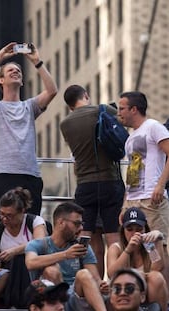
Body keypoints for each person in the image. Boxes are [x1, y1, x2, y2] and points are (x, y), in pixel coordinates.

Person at [0, 41, 58, 221]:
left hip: (30, 175)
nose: (15, 71)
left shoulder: (29, 107)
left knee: (31, 225)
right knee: (3, 225)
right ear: (0, 80)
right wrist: (0, 57)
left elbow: (52, 91)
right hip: (3, 174)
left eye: (18, 70)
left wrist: (37, 61)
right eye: (10, 70)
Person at [61, 85, 125, 278]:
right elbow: (123, 123)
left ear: (70, 106)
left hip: (84, 184)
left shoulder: (65, 124)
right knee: (113, 236)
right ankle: (116, 284)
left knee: (88, 237)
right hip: (109, 182)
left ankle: (94, 284)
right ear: (86, 96)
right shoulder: (103, 110)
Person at [25, 202, 108, 311]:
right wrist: (65, 255)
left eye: (81, 223)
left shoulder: (81, 246)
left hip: (75, 296)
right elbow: (31, 263)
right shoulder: (38, 245)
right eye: (77, 224)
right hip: (49, 298)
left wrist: (102, 285)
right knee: (51, 270)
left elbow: (95, 277)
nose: (81, 228)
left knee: (83, 274)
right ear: (61, 223)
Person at [117, 91, 169, 244]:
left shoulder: (153, 126)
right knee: (139, 249)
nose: (119, 113)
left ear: (134, 109)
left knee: (160, 245)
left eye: (122, 108)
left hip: (151, 199)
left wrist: (160, 185)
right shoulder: (130, 138)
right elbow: (132, 171)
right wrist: (125, 205)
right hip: (133, 201)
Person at [106, 207, 168, 310]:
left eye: (139, 229)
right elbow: (112, 274)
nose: (134, 233)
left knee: (155, 277)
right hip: (123, 295)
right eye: (130, 230)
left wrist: (158, 241)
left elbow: (157, 270)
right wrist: (128, 250)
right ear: (123, 231)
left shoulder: (149, 245)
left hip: (145, 296)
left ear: (145, 229)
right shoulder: (116, 248)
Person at [0, 187, 47, 261]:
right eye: (2, 214)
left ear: (22, 211)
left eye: (9, 215)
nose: (4, 219)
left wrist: (15, 251)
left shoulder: (35, 222)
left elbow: (40, 243)